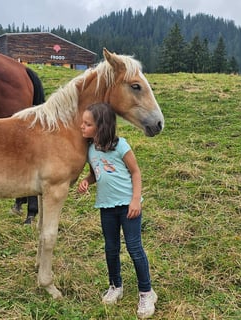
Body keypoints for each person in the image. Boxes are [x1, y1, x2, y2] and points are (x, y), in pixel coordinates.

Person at [77, 103, 157, 319]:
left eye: (87, 124)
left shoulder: (121, 145)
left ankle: (146, 292)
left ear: (101, 126)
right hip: (106, 206)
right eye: (82, 123)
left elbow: (136, 172)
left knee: (134, 248)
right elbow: (96, 173)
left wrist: (135, 201)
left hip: (128, 207)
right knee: (111, 249)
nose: (82, 127)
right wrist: (87, 181)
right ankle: (115, 286)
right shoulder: (90, 149)